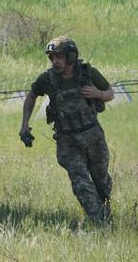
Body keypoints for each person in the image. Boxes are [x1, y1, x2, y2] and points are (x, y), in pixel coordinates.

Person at [19, 36, 115, 223]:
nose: (55, 61)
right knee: (81, 183)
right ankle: (100, 222)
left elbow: (110, 93)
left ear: (70, 57)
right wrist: (24, 124)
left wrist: (99, 94)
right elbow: (31, 96)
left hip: (93, 137)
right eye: (52, 58)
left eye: (59, 57)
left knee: (101, 182)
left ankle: (105, 213)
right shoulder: (47, 79)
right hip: (68, 142)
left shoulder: (88, 73)